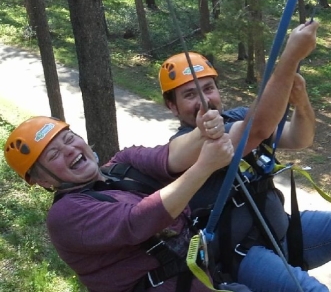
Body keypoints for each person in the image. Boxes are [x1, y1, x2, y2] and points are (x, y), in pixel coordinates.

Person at [159, 20, 331, 292]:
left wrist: (301, 100)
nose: (205, 100)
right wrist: (290, 56)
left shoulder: (237, 117)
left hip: (278, 229)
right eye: (190, 95)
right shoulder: (180, 147)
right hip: (241, 255)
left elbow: (300, 138)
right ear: (172, 107)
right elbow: (256, 130)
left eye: (208, 88)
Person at [3, 110, 238, 292]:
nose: (68, 149)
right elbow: (138, 221)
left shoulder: (122, 164)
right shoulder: (65, 216)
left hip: (208, 279)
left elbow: (170, 156)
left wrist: (200, 131)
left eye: (68, 138)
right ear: (42, 181)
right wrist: (204, 166)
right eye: (53, 155)